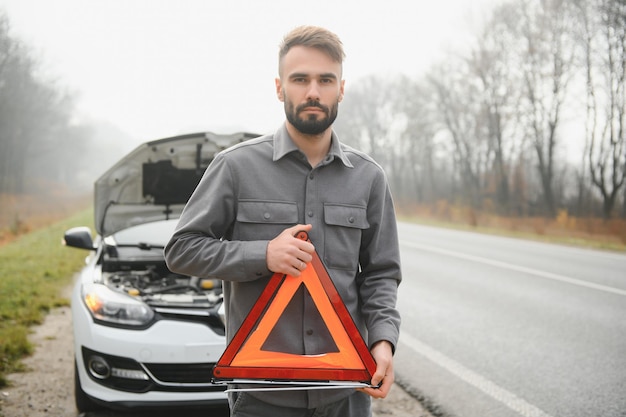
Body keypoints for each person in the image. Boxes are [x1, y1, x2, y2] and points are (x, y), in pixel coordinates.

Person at [164, 25, 401, 417]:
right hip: (261, 397)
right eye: (300, 79)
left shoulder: (369, 177)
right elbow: (182, 250)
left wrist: (383, 342)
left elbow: (381, 274)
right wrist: (264, 254)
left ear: (341, 88)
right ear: (279, 88)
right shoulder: (235, 167)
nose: (313, 91)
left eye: (326, 80)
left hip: (345, 393)